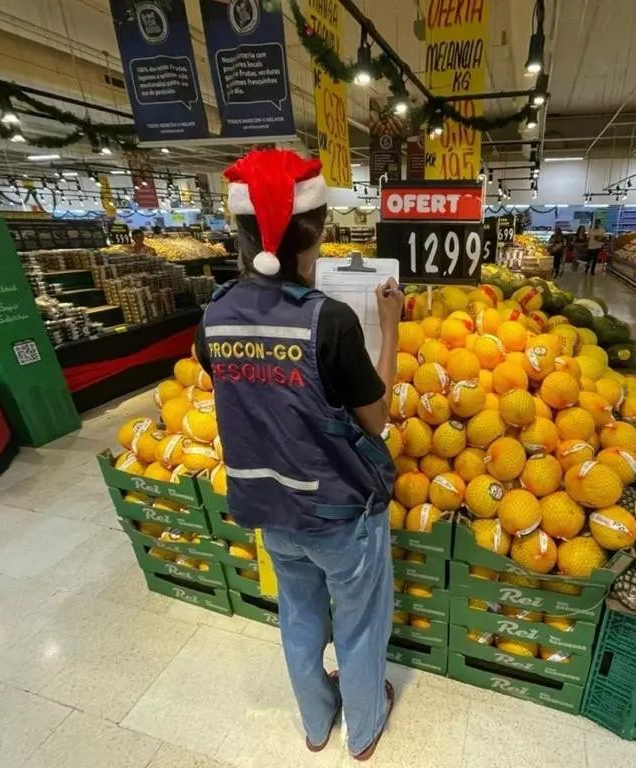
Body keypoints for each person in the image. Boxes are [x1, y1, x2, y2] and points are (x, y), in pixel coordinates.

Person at [193, 149, 400, 760]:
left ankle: (315, 723)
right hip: (338, 512)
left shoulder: (214, 314)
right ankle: (362, 730)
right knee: (359, 624)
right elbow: (377, 417)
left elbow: (239, 390)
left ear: (239, 230)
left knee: (299, 615)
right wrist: (391, 329)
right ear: (319, 231)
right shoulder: (329, 321)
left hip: (266, 505)